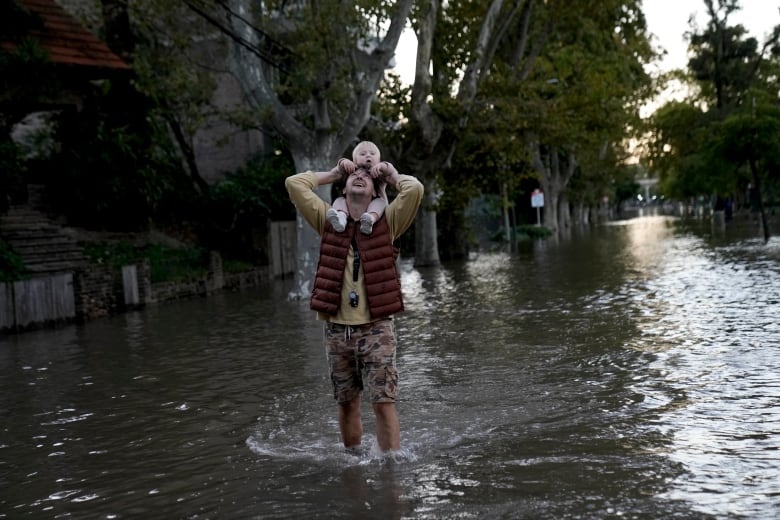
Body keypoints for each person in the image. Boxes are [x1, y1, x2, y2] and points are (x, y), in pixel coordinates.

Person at [285, 146, 424, 454]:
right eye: (354, 175)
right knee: (347, 405)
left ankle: (390, 469)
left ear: (375, 190)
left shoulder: (389, 222)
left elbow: (414, 189)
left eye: (366, 175)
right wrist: (334, 173)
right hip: (337, 331)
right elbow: (295, 183)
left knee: (383, 404)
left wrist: (390, 174)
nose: (359, 176)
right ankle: (353, 464)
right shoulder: (326, 219)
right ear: (344, 187)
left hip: (376, 328)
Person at [327, 141, 388, 235]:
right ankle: (341, 217)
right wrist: (343, 162)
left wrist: (382, 187)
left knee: (381, 202)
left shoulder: (379, 173)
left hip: (373, 223)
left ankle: (370, 219)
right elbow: (340, 168)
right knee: (339, 200)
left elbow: (387, 214)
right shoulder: (350, 168)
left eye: (372, 154)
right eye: (362, 154)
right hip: (344, 232)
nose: (368, 156)